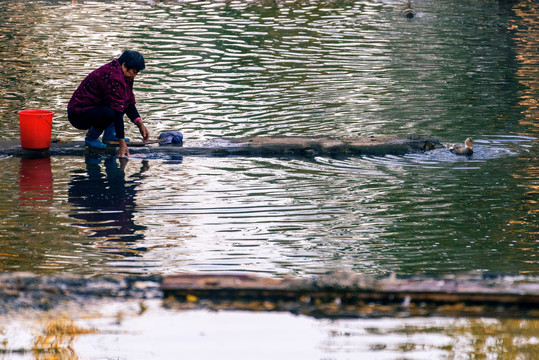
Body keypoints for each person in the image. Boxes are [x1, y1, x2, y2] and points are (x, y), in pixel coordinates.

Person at [67, 50, 150, 157]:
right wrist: (122, 144)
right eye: (133, 72)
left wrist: (140, 124)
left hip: (96, 109)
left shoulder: (125, 76)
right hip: (78, 115)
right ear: (124, 66)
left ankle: (110, 136)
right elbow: (117, 112)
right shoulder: (113, 77)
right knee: (111, 112)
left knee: (119, 104)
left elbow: (128, 102)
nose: (134, 76)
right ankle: (91, 138)